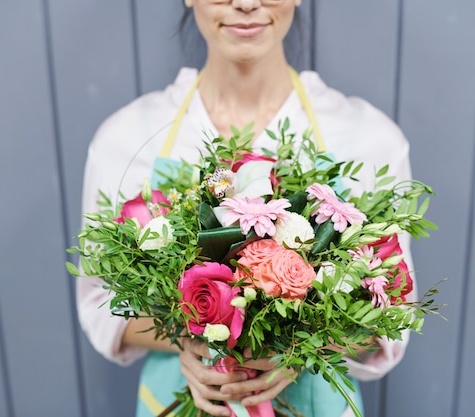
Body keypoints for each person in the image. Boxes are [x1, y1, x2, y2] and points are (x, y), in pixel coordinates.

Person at [77, 0, 416, 416]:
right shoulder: (128, 137)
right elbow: (99, 302)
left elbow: (393, 315)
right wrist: (189, 339)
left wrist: (298, 349)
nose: (245, 3)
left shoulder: (366, 137)